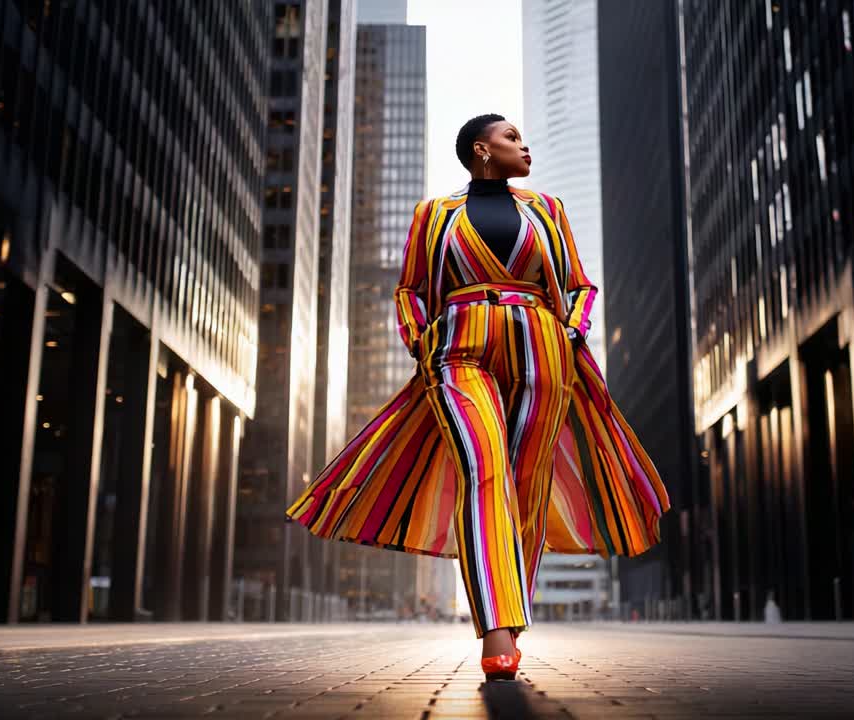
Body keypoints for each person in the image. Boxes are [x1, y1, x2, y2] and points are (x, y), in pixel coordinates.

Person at [287, 113, 671, 681]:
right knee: (483, 467)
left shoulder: (548, 211)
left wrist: (573, 328)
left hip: (543, 347)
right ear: (480, 150)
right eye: (512, 137)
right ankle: (496, 629)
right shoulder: (434, 215)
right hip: (458, 346)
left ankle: (508, 622)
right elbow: (411, 291)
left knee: (526, 485)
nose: (525, 145)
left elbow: (578, 286)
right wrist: (423, 341)